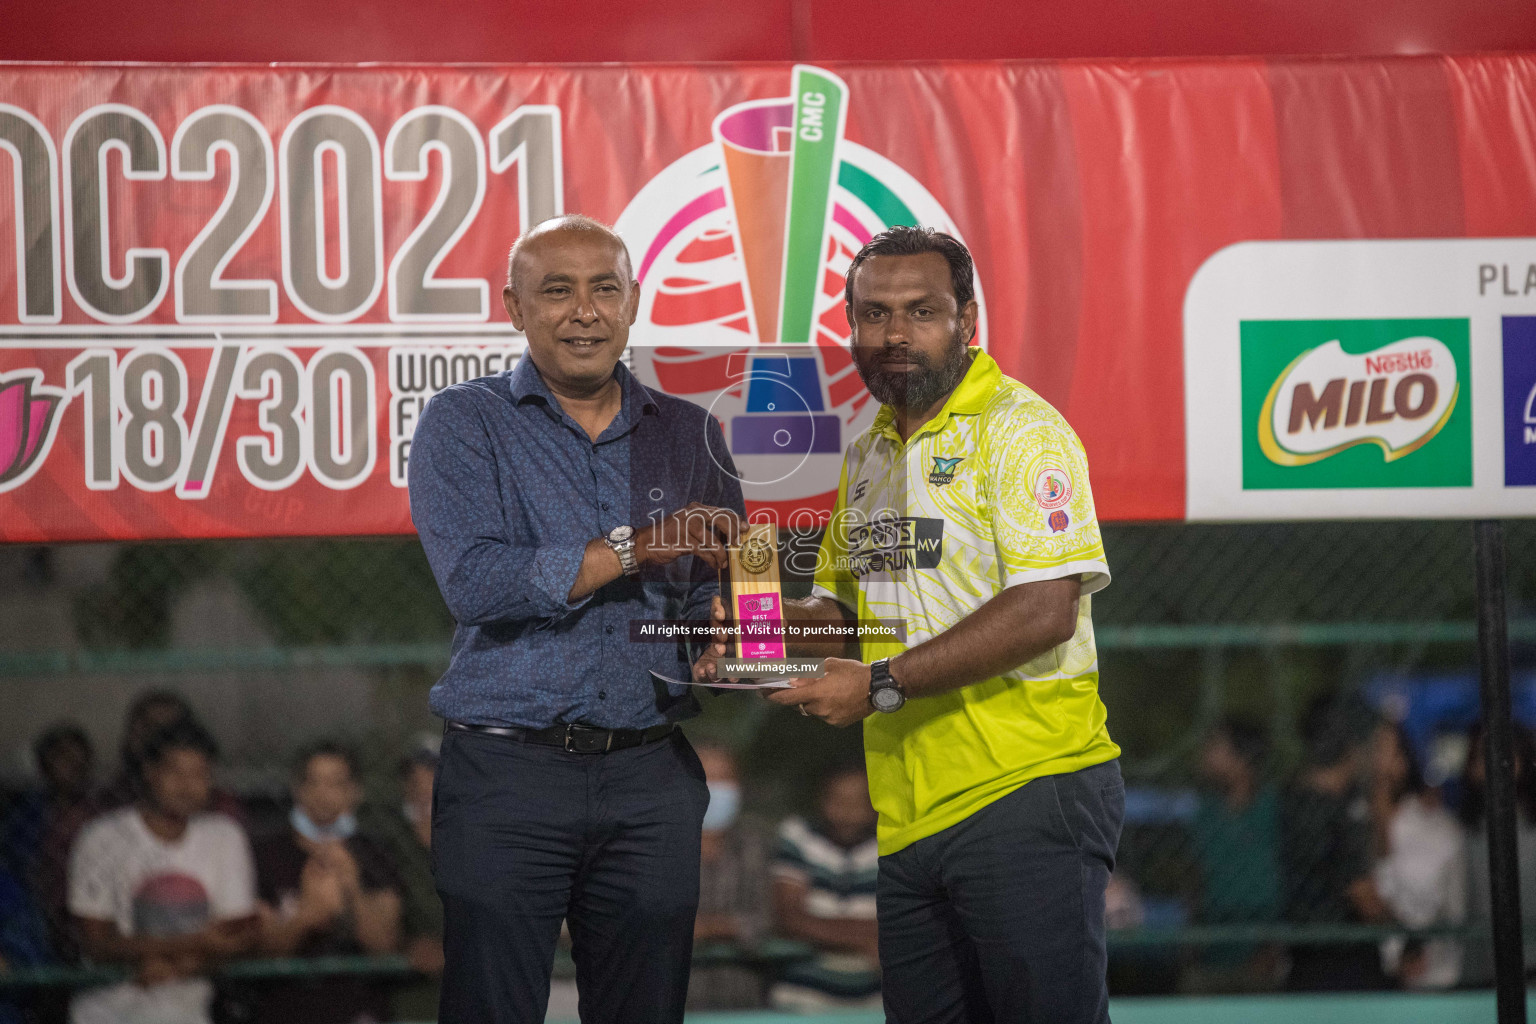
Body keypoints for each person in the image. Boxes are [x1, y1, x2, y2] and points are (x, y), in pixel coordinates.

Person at [699, 226, 1124, 1023]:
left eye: (921, 311)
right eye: (874, 314)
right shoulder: (867, 455)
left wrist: (882, 685)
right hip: (909, 813)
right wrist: (748, 625)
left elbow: (1045, 606)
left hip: (1025, 791)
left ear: (967, 321)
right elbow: (846, 618)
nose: (895, 334)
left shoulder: (1019, 429)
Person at [408, 213, 747, 1024]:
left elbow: (715, 589)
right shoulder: (466, 422)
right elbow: (477, 582)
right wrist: (636, 549)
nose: (584, 311)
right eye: (556, 291)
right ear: (514, 308)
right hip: (506, 776)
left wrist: (722, 644)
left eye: (604, 289)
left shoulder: (694, 433)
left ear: (634, 302)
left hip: (649, 776)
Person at [67, 719, 257, 1024]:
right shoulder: (103, 837)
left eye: (199, 774)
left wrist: (180, 967)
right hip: (106, 1013)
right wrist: (195, 944)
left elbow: (237, 937)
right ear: (150, 773)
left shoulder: (224, 837)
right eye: (176, 772)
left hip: (188, 1013)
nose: (188, 786)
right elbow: (96, 943)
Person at [251, 741, 401, 1024]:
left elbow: (385, 946)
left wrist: (351, 887)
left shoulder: (375, 853)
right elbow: (261, 951)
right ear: (298, 789)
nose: (323, 794)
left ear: (355, 791)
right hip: (285, 1009)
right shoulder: (266, 853)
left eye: (336, 783)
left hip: (360, 1009)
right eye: (313, 783)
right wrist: (308, 915)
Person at [1280, 693, 1391, 991]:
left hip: (1306, 958)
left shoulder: (1292, 798)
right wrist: (1410, 934)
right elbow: (1362, 894)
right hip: (1342, 964)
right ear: (1353, 745)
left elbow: (1378, 853)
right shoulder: (1334, 808)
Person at [768, 763, 881, 1011]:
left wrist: (821, 928)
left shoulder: (890, 844)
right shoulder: (798, 836)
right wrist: (868, 938)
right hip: (803, 999)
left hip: (874, 1002)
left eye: (858, 801)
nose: (847, 811)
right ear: (821, 799)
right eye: (838, 799)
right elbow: (789, 918)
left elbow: (901, 925)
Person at [1185, 718, 1282, 991]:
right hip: (1211, 955)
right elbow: (1195, 879)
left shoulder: (1272, 810)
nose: (1206, 755)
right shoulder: (1206, 813)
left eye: (1216, 747)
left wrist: (1274, 947)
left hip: (1260, 956)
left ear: (1242, 758)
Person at [1368, 720, 1464, 989]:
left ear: (1404, 760)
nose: (1376, 760)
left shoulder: (1434, 828)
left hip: (1429, 976)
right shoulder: (1347, 819)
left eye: (1384, 749)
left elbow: (1440, 903)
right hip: (1362, 974)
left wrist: (1410, 948)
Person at [1, 723, 102, 963]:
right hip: (36, 902)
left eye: (77, 756)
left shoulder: (100, 810)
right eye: (61, 755)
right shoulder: (27, 814)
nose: (70, 763)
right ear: (43, 764)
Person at [688, 743, 770, 1011]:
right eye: (706, 778)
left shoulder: (755, 847)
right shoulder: (653, 848)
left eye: (724, 779)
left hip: (741, 1001)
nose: (716, 789)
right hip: (670, 1003)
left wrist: (707, 928)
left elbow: (764, 920)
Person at [1459, 720, 1536, 986]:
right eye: (1483, 755)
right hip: (1481, 975)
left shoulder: (1531, 831)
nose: (1495, 764)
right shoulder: (1460, 834)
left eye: (1506, 753)